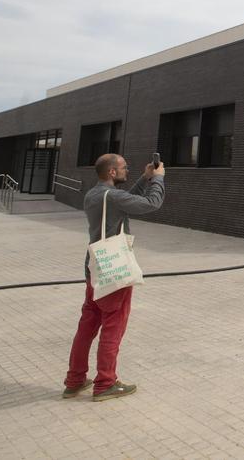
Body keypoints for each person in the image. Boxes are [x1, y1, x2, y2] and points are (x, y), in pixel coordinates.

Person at [61, 153, 165, 401]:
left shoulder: (94, 195)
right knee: (113, 327)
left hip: (94, 269)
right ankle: (105, 383)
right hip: (114, 271)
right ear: (111, 172)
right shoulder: (114, 197)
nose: (127, 171)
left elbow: (126, 199)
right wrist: (158, 180)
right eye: (124, 168)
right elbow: (152, 203)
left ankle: (75, 380)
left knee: (87, 326)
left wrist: (145, 177)